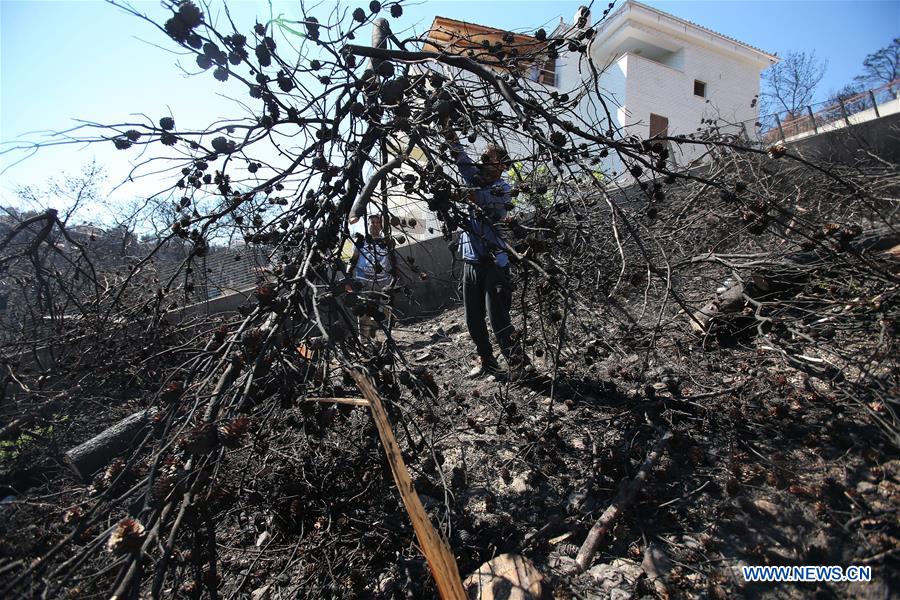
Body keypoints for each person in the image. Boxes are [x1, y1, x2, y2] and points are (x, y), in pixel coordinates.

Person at [447, 135, 525, 378]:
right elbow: (463, 161)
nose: (481, 162)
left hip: (494, 264)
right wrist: (451, 137)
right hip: (471, 261)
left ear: (501, 166)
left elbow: (479, 197)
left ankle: (520, 366)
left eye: (487, 159)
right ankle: (487, 361)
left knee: (499, 319)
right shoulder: (475, 178)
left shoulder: (504, 189)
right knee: (473, 319)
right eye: (480, 158)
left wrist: (462, 192)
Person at [347, 214, 397, 342]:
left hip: (382, 282)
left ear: (381, 225)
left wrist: (396, 277)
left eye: (377, 222)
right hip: (363, 281)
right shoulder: (361, 242)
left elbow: (393, 261)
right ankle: (364, 341)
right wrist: (348, 274)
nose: (374, 225)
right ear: (367, 225)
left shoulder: (386, 242)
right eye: (371, 222)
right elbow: (354, 259)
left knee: (385, 312)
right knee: (363, 312)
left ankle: (374, 326)